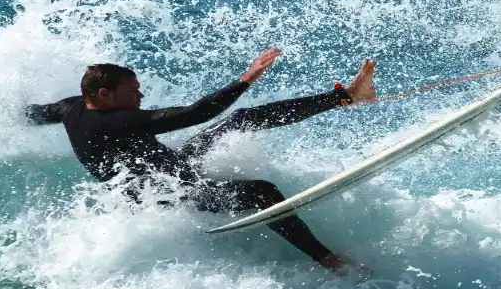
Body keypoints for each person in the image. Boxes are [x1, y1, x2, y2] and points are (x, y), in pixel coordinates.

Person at [22, 48, 376, 276]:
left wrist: (5, 110)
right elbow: (199, 112)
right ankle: (329, 260)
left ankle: (346, 97)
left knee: (243, 118)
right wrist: (247, 77)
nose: (140, 95)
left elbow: (39, 113)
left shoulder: (72, 107)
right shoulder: (118, 121)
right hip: (171, 199)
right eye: (133, 90)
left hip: (175, 169)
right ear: (104, 94)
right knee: (262, 192)